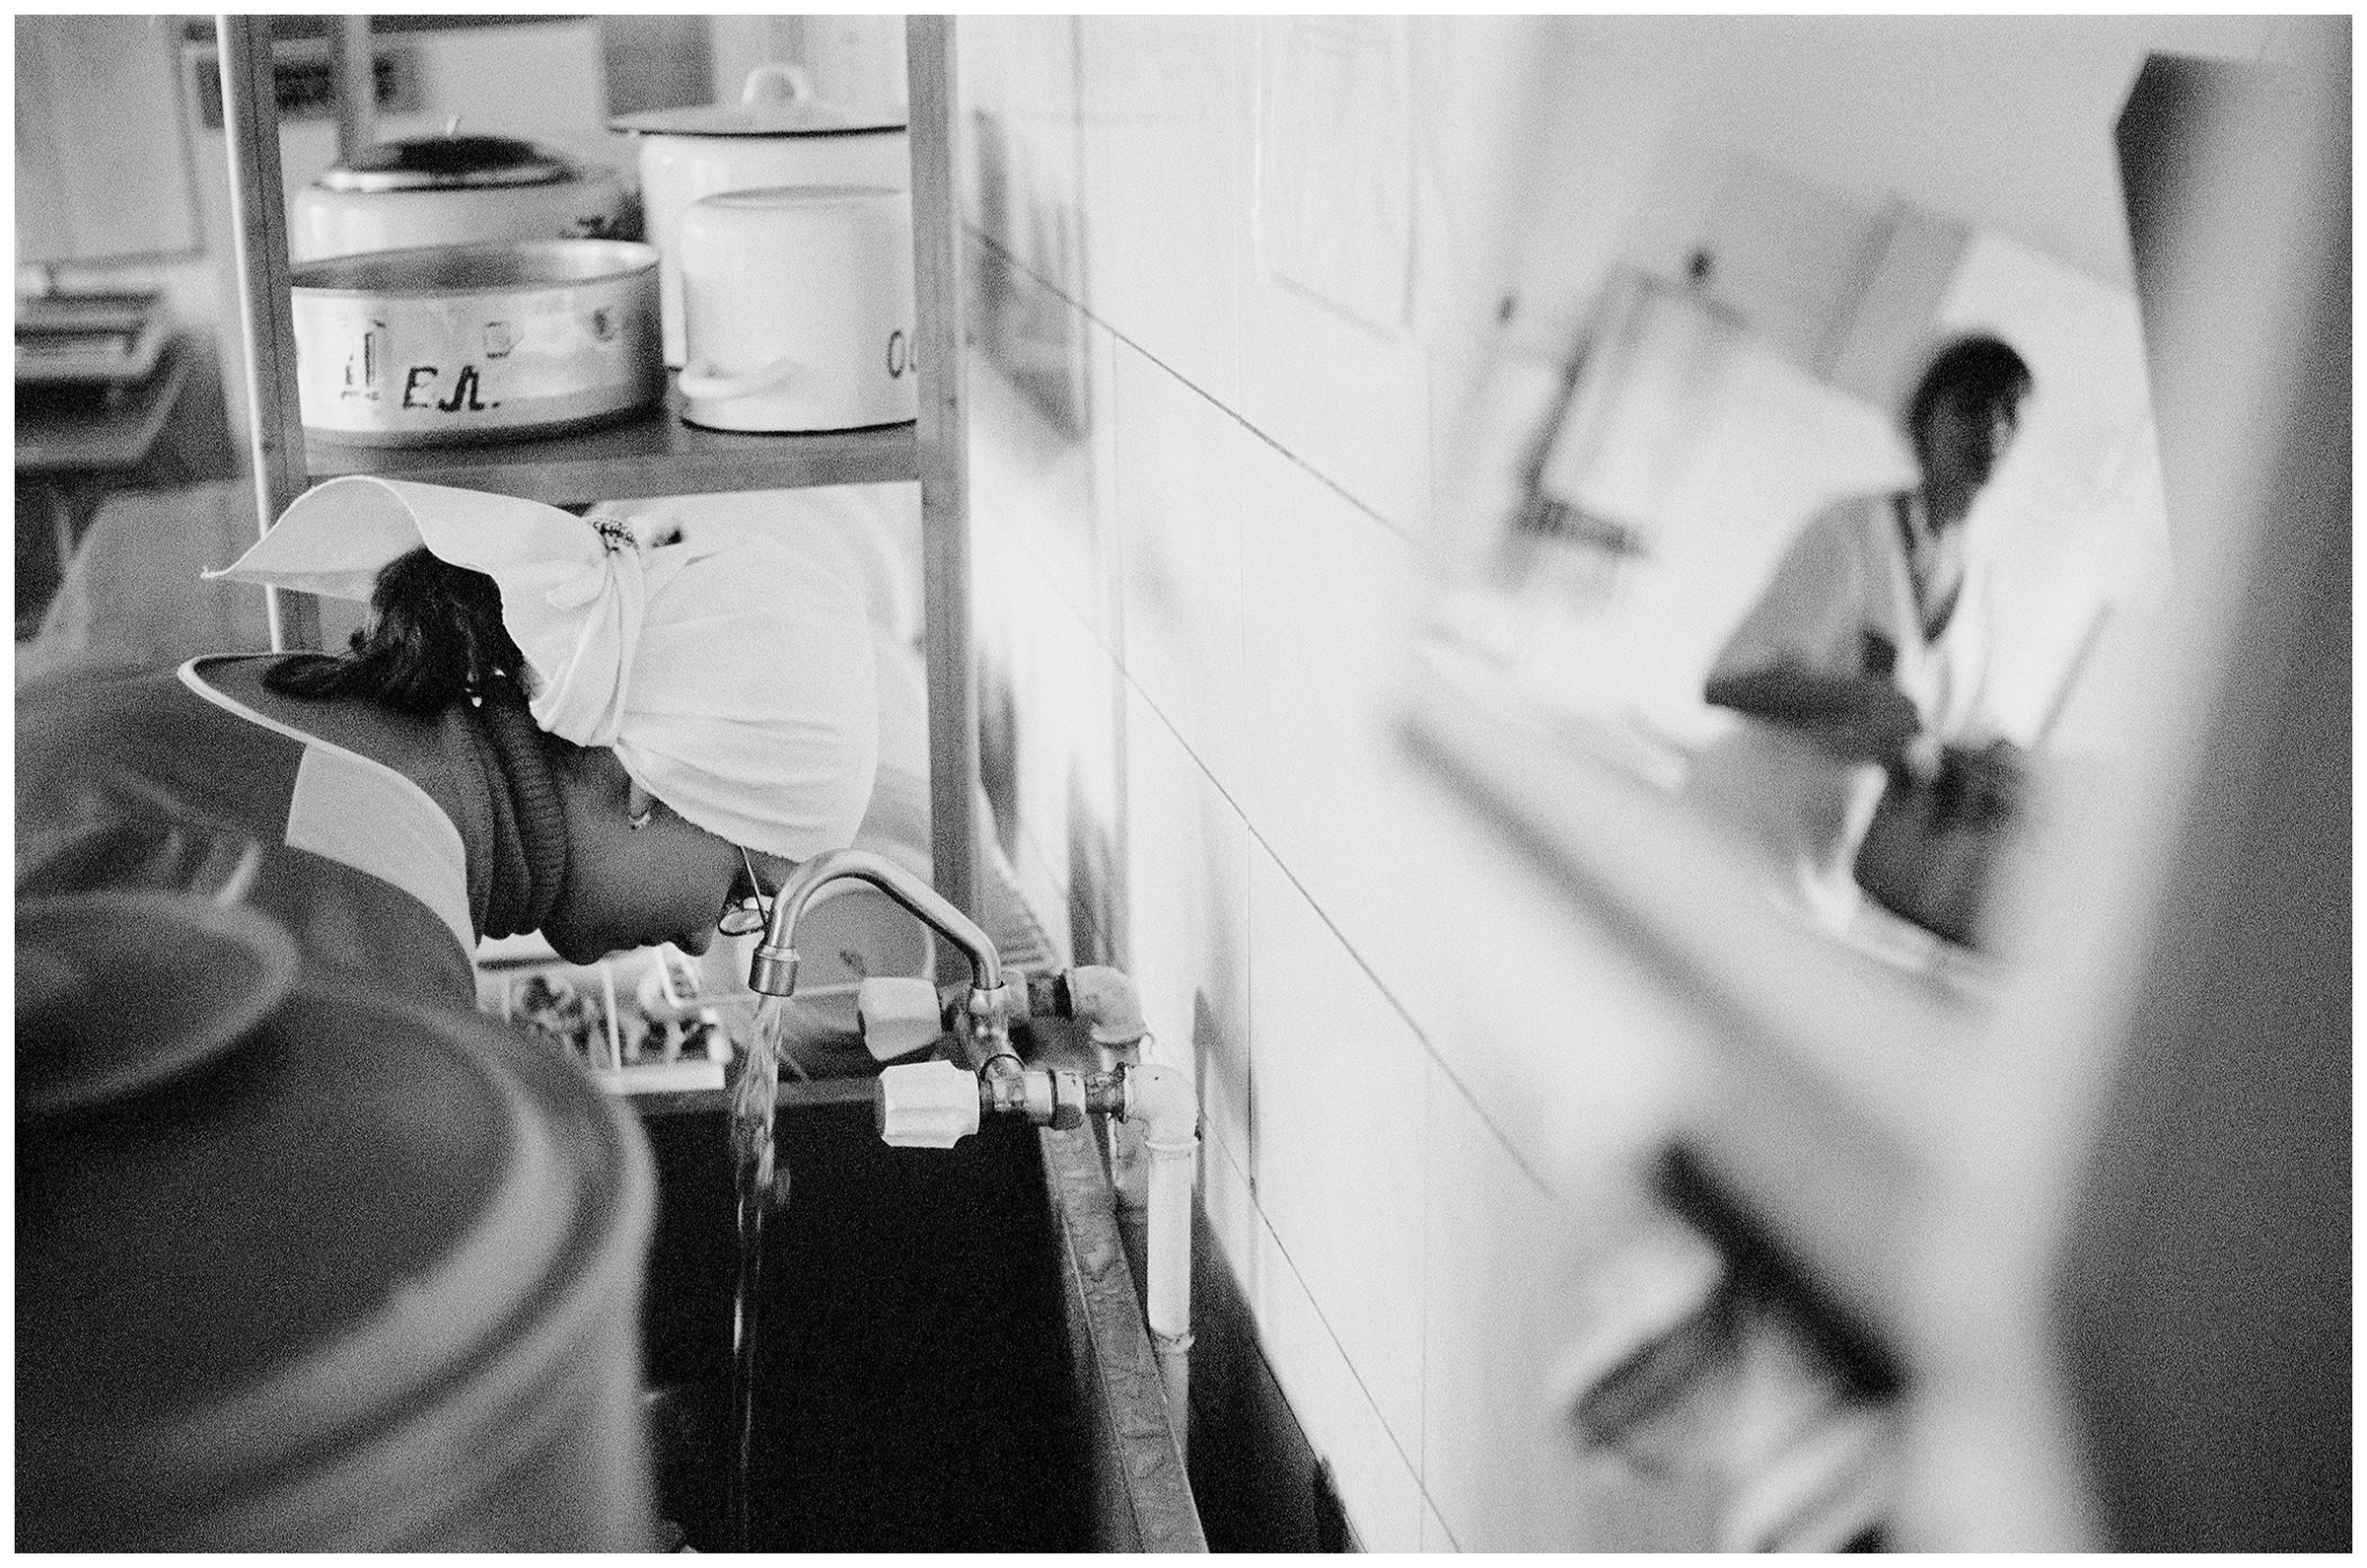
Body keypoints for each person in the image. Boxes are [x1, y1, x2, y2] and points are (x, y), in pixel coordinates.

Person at [16, 474, 886, 1012]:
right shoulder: (378, 912)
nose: (704, 942)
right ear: (652, 784)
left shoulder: (317, 706)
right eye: (743, 891)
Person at [1692, 335, 2035, 919]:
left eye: (2009, 415)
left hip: (1823, 877)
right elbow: (1729, 680)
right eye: (1972, 407)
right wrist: (1858, 697)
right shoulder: (1849, 533)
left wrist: (1998, 766)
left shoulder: (1977, 595)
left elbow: (1956, 732)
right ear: (1926, 418)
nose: (1991, 433)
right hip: (1730, 839)